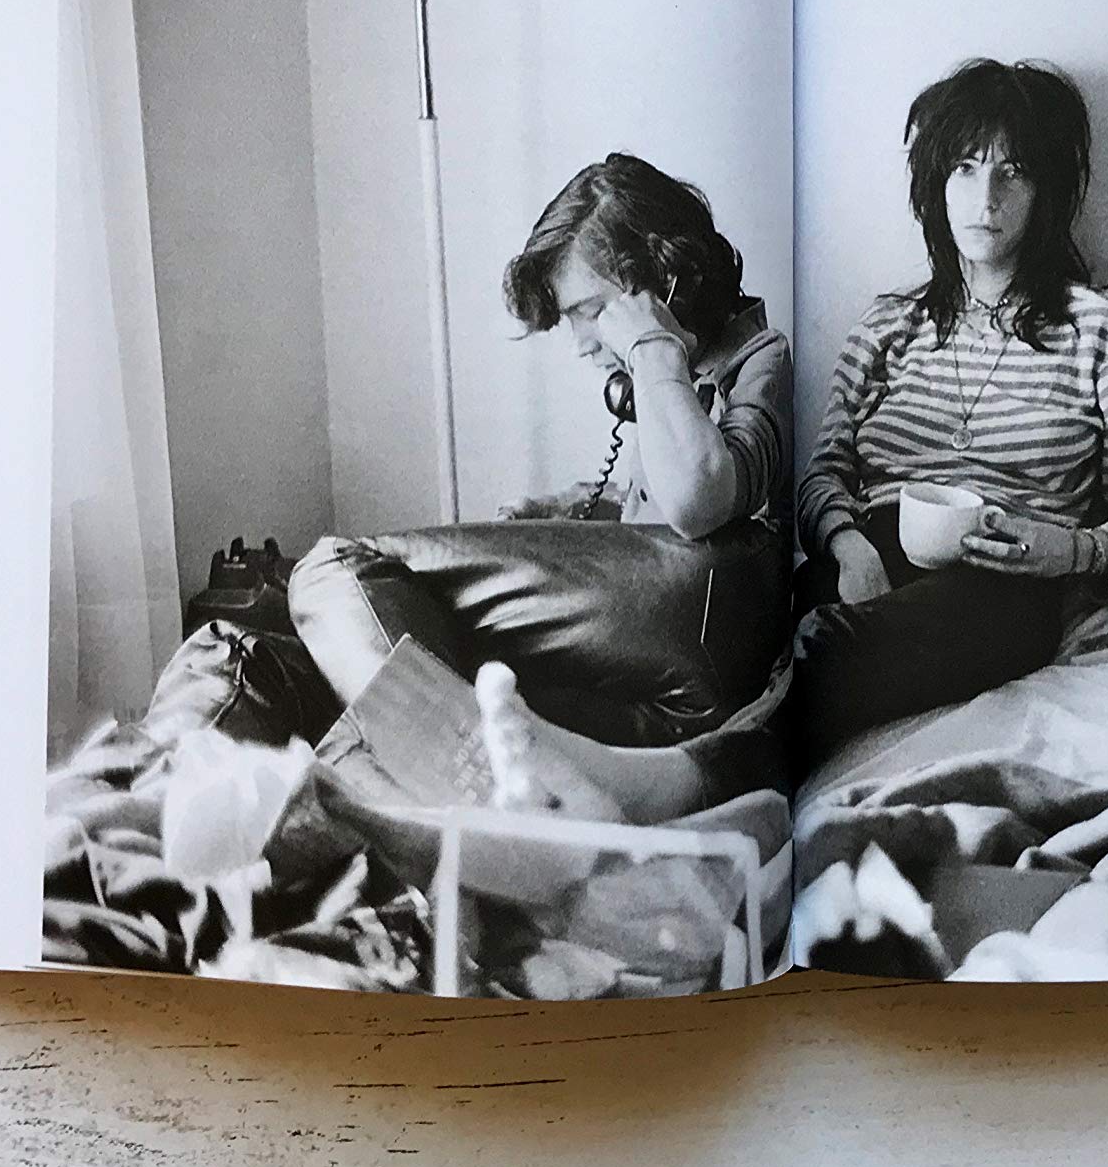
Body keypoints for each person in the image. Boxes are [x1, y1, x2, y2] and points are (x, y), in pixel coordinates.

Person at [287, 153, 793, 748]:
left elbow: (696, 501)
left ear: (671, 282)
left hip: (704, 627)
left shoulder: (759, 358)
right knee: (278, 661)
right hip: (656, 673)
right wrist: (575, 507)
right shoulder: (666, 385)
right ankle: (457, 765)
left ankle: (446, 760)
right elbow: (657, 502)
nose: (581, 343)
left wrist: (653, 347)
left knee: (334, 571)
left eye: (592, 312)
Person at [789, 57, 1108, 763]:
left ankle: (736, 743)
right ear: (935, 185)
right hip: (870, 552)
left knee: (837, 648)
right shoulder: (888, 324)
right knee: (750, 607)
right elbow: (823, 474)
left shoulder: (1102, 332)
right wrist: (849, 549)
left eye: (1014, 173)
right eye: (966, 169)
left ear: (1046, 191)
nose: (987, 199)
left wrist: (1074, 551)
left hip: (1002, 585)